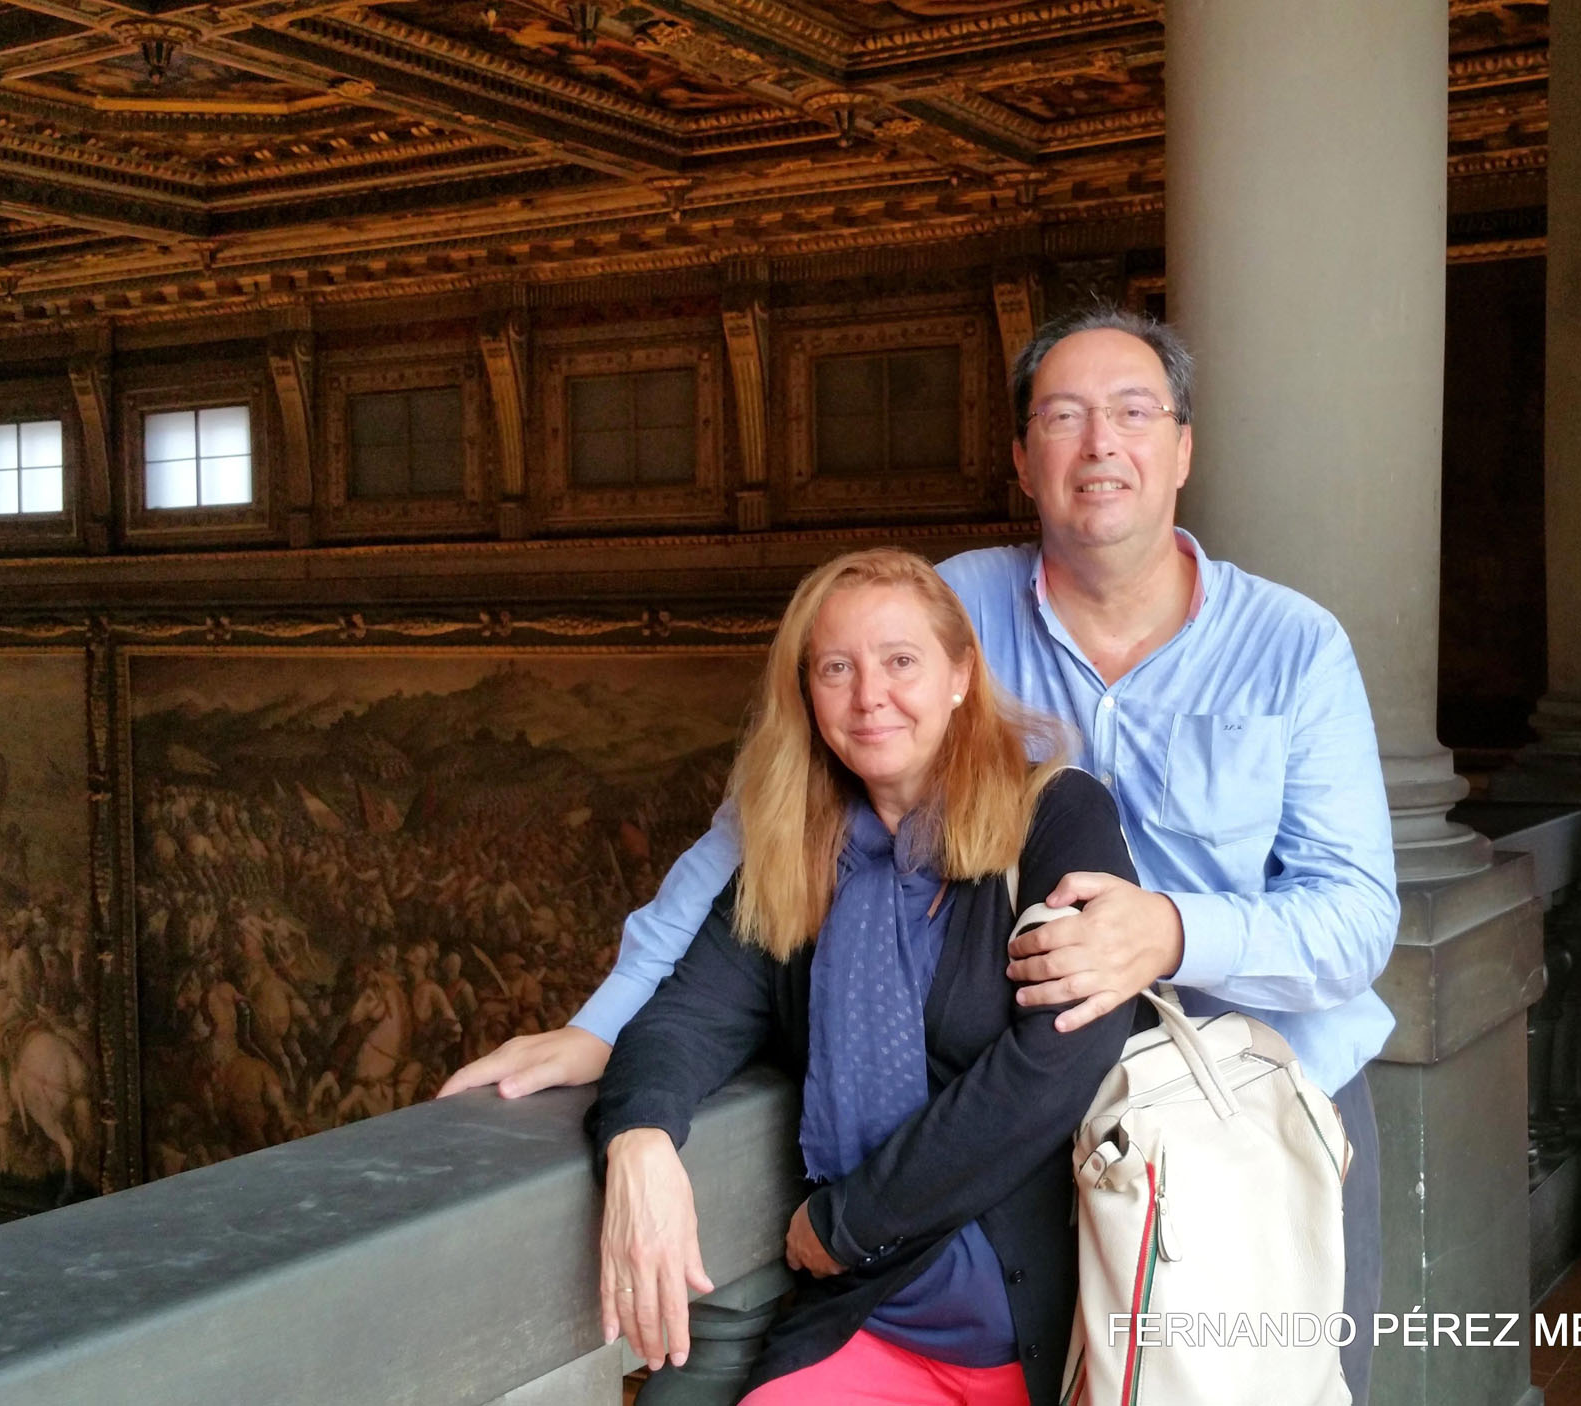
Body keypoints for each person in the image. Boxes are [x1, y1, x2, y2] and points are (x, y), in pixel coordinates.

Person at [444, 307, 1402, 1392]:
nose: (1100, 443)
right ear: (1022, 458)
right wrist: (603, 1029)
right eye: (1063, 416)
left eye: (1135, 412)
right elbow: (752, 847)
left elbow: (1356, 919)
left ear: (1183, 447)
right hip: (1039, 1142)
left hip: (1251, 1103)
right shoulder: (955, 609)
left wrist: (1172, 931)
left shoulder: (1293, 647)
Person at [591, 548, 1145, 1405]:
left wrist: (848, 1223)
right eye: (836, 669)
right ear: (808, 695)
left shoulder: (1055, 816)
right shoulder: (793, 859)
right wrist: (639, 1139)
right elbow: (685, 1018)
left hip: (1049, 1336)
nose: (868, 696)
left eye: (900, 661)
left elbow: (1057, 1061)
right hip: (866, 1322)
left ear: (960, 676)